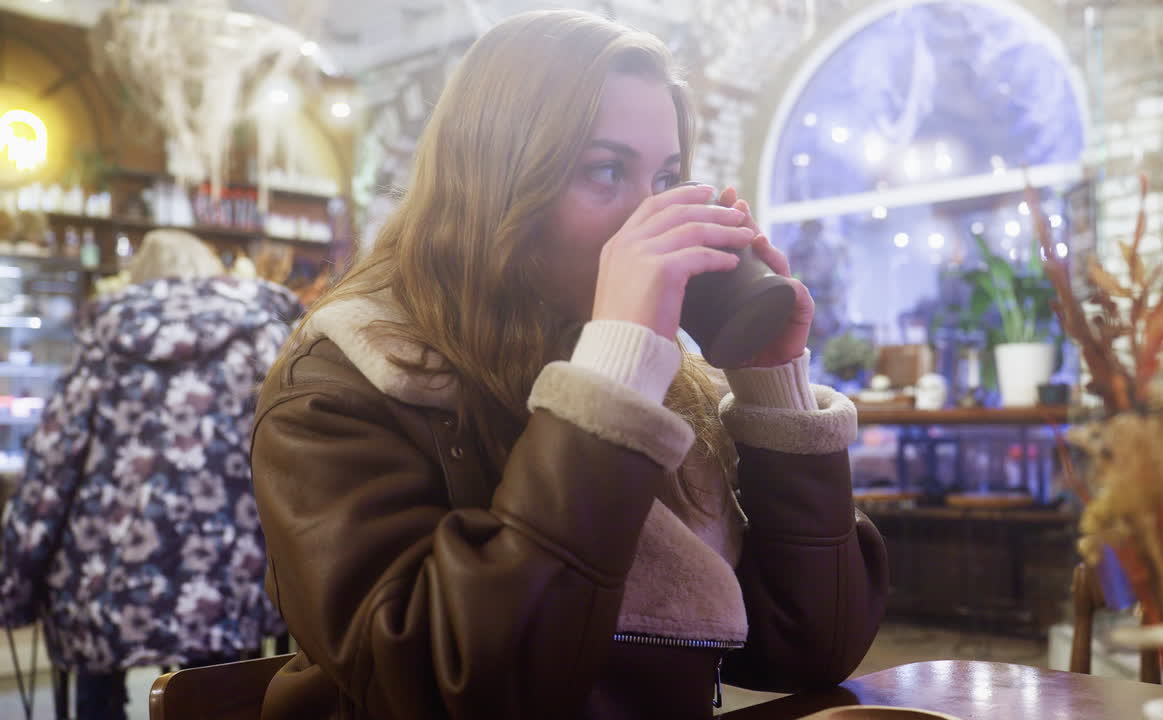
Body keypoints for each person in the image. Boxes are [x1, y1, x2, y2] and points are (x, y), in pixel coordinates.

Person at [250, 10, 887, 720]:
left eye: (668, 177)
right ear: (497, 186)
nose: (650, 217)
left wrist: (770, 383)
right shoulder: (343, 384)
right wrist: (610, 389)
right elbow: (448, 686)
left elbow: (807, 647)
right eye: (606, 171)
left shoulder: (662, 381)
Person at [0, 229, 303, 720]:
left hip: (106, 580)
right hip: (232, 578)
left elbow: (51, 468)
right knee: (217, 695)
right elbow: (295, 459)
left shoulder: (104, 337)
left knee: (97, 687)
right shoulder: (267, 336)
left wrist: (15, 587)